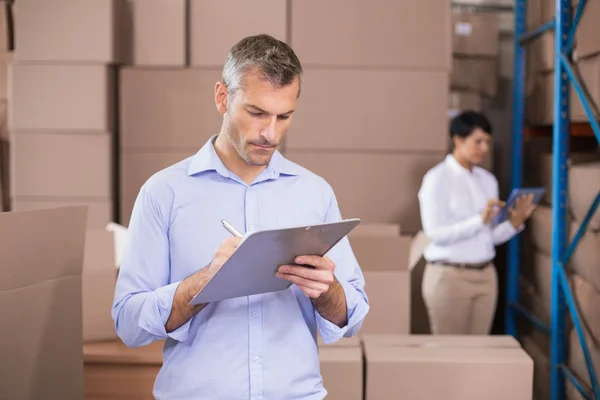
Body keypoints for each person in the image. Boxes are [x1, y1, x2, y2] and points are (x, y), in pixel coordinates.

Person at [111, 34, 370, 399]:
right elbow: (129, 324)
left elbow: (353, 319)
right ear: (222, 97)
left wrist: (328, 291)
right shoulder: (164, 193)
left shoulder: (315, 193)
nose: (270, 133)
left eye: (284, 116)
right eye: (256, 113)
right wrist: (206, 282)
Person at [417, 111, 536, 335]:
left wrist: (514, 224)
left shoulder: (487, 180)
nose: (484, 148)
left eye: (487, 142)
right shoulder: (437, 179)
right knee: (449, 351)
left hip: (485, 276)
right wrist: (479, 220)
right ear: (458, 140)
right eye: (478, 142)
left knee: (480, 350)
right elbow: (435, 233)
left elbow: (488, 237)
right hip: (450, 277)